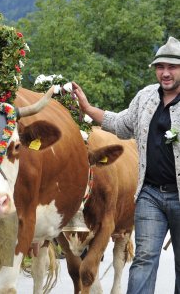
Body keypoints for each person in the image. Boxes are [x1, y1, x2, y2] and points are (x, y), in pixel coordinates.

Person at [72, 36, 180, 294]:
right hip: (149, 194)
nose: (165, 73)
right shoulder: (145, 97)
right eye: (160, 67)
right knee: (143, 259)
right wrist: (87, 108)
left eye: (172, 67)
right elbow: (119, 124)